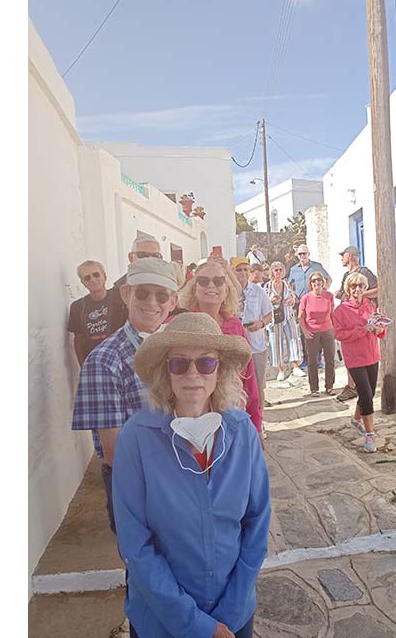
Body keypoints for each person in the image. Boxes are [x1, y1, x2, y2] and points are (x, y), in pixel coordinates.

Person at [114, 312, 270, 638]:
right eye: (179, 363)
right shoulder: (136, 437)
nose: (193, 373)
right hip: (162, 621)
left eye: (206, 363)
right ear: (165, 372)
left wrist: (228, 613)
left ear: (220, 371)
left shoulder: (242, 432)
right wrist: (197, 625)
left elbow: (256, 524)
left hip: (233, 614)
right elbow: (135, 544)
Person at [71, 258, 180, 534]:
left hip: (180, 476)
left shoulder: (178, 347)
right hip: (139, 484)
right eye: (142, 293)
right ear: (125, 294)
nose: (152, 302)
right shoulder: (104, 360)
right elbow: (115, 453)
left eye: (161, 295)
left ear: (173, 301)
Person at [177, 259, 264, 435]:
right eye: (203, 281)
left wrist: (256, 424)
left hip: (233, 413)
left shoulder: (235, 326)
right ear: (194, 288)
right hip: (195, 417)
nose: (211, 286)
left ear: (226, 289)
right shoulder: (182, 324)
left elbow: (248, 376)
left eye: (218, 281)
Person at [332, 272, 386, 452]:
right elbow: (339, 334)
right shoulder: (341, 310)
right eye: (353, 286)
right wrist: (362, 330)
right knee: (365, 394)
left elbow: (380, 327)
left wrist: (379, 330)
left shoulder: (371, 305)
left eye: (361, 286)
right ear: (348, 288)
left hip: (372, 355)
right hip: (354, 358)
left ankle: (356, 420)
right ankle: (370, 435)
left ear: (365, 288)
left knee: (368, 393)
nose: (357, 289)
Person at [334, 245, 380, 403]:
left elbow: (379, 289)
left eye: (343, 255)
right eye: (353, 286)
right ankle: (351, 386)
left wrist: (360, 294)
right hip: (348, 319)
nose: (341, 258)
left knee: (367, 396)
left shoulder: (364, 272)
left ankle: (354, 389)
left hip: (365, 324)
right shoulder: (346, 275)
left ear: (350, 255)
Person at [104, 233, 165, 336]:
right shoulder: (117, 291)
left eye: (155, 256)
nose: (150, 260)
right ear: (131, 257)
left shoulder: (167, 287)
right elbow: (114, 328)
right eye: (143, 255)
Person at [287, 244, 327, 376]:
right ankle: (306, 358)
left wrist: (322, 292)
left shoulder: (316, 266)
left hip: (315, 303)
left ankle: (318, 359)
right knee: (304, 331)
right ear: (297, 255)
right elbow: (289, 284)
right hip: (301, 304)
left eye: (305, 253)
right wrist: (293, 295)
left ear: (309, 254)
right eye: (300, 254)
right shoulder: (293, 269)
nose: (302, 256)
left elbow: (328, 279)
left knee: (317, 330)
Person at [241, 261, 275, 409]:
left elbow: (269, 314)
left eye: (245, 270)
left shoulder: (258, 291)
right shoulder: (229, 290)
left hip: (256, 345)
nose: (243, 273)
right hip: (236, 345)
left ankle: (259, 417)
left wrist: (261, 324)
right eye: (239, 270)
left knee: (258, 385)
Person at [298, 271, 337, 396]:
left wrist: (335, 329)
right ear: (310, 283)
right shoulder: (306, 298)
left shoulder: (329, 296)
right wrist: (305, 331)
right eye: (313, 280)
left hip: (327, 330)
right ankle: (314, 388)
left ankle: (329, 386)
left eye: (319, 279)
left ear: (323, 281)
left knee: (330, 359)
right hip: (312, 331)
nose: (316, 282)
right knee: (312, 361)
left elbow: (332, 313)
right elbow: (300, 317)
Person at [68, 260, 114, 364]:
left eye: (96, 275)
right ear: (83, 283)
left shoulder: (119, 298)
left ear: (104, 276)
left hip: (122, 359)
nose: (93, 279)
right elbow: (78, 340)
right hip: (95, 362)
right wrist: (83, 366)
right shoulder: (77, 307)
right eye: (87, 278)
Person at [264, 261, 300, 382]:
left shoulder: (286, 284)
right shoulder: (268, 286)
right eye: (276, 270)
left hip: (288, 315)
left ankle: (296, 366)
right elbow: (263, 303)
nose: (278, 272)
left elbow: (293, 297)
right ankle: (280, 370)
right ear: (272, 272)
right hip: (275, 318)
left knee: (293, 339)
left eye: (280, 269)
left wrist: (291, 301)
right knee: (276, 342)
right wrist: (272, 301)